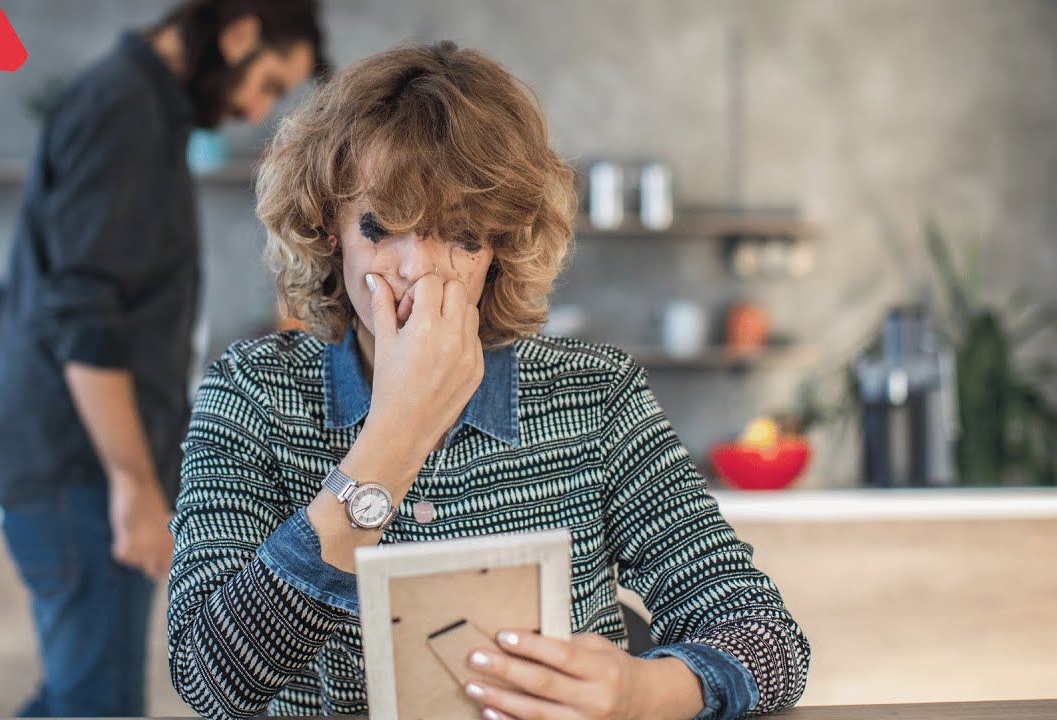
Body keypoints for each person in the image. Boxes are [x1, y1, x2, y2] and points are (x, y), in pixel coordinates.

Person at [167, 42, 810, 720]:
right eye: (382, 226)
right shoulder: (249, 396)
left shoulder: (597, 397)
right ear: (330, 227)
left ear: (500, 246)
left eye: (462, 235)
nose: (420, 271)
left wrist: (638, 690)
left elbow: (769, 639)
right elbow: (212, 682)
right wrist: (397, 433)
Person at [0, 1, 326, 716]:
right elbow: (86, 316)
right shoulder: (124, 111)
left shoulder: (139, 107)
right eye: (265, 82)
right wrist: (134, 487)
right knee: (95, 704)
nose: (253, 108)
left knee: (73, 697)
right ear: (238, 34)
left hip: (77, 474)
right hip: (84, 479)